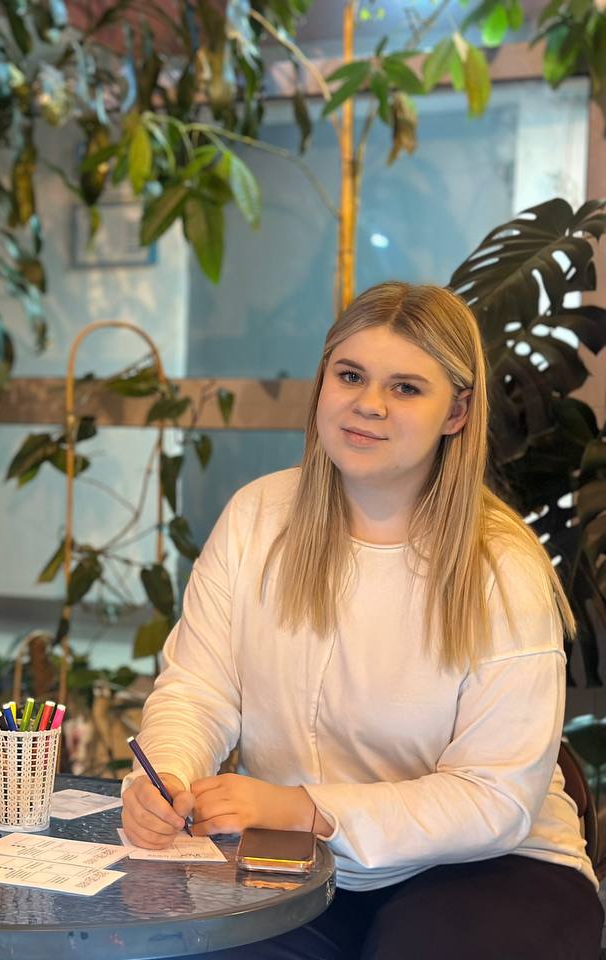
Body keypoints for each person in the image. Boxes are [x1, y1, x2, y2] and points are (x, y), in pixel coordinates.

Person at [121, 283, 602, 958]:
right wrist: (166, 775)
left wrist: (305, 808)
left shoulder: (502, 567)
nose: (369, 403)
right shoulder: (257, 518)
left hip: (490, 866)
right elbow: (199, 690)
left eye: (406, 387)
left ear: (456, 411)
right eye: (350, 376)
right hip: (296, 860)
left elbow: (495, 800)